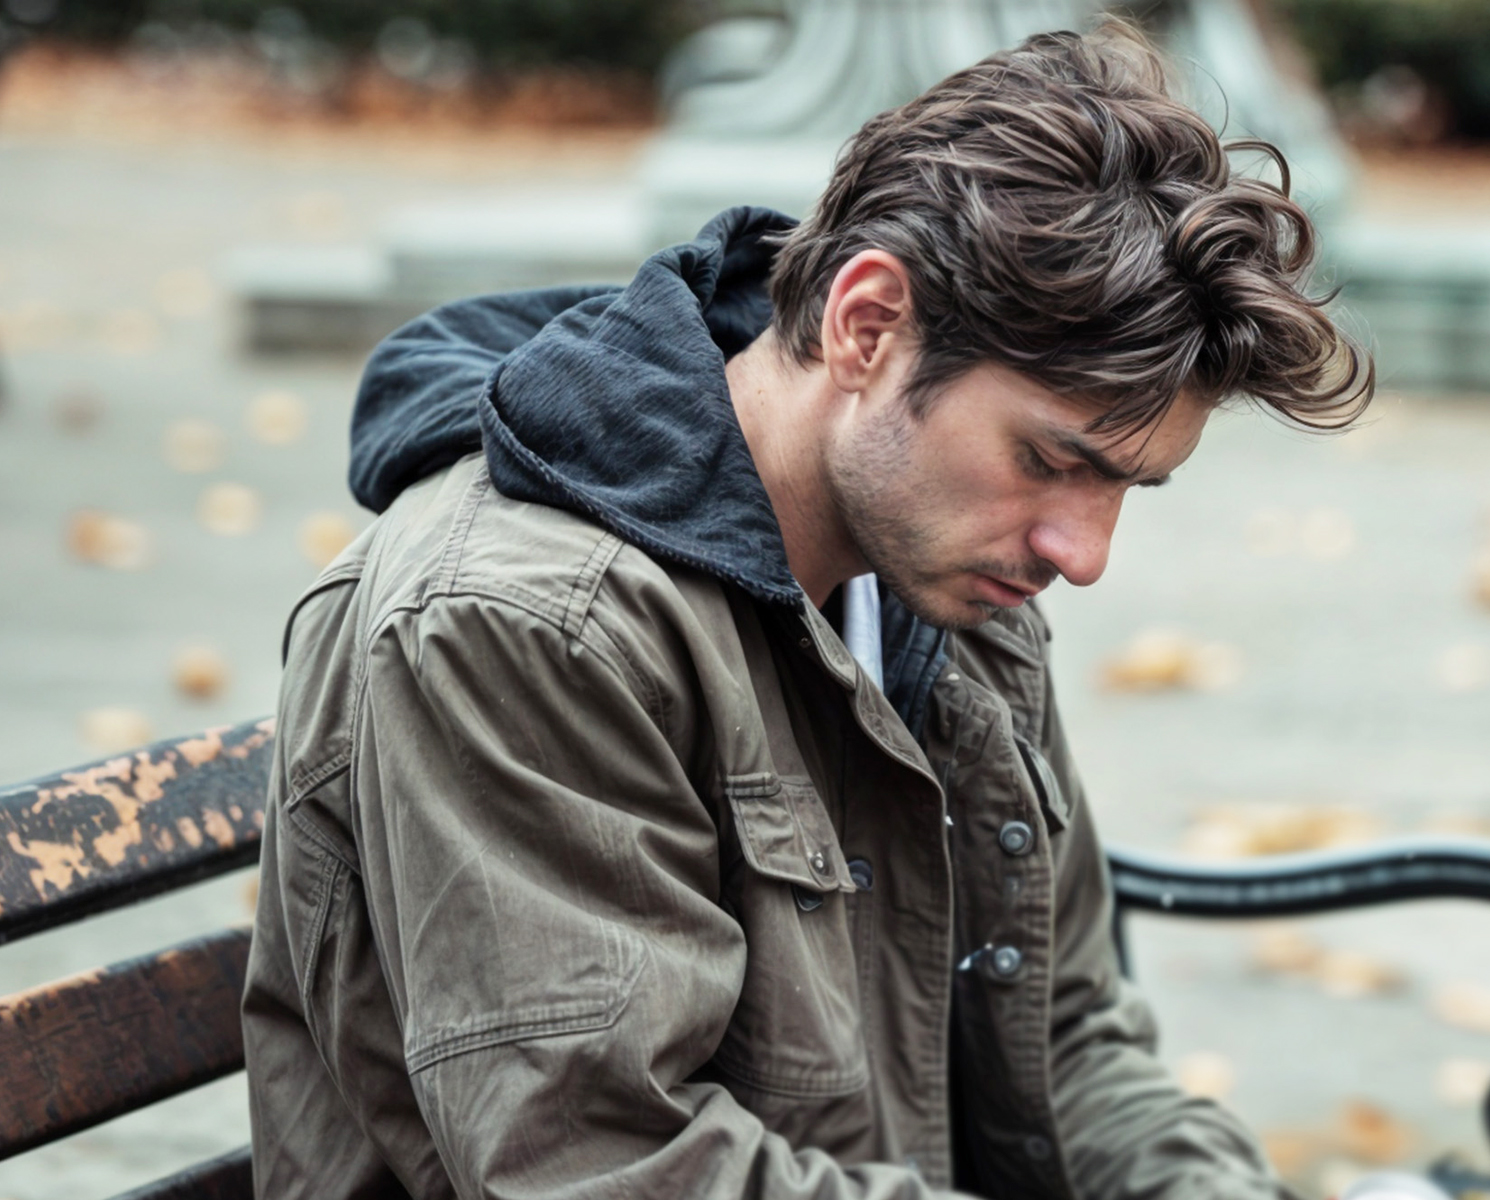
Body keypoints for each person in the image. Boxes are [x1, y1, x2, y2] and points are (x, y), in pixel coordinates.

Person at [241, 20, 1421, 1200]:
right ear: (867, 326)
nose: (1085, 550)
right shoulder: (530, 625)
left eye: (1129, 485)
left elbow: (1066, 1038)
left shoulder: (941, 574)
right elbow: (605, 1164)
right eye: (1052, 459)